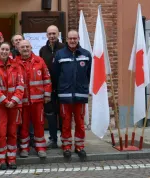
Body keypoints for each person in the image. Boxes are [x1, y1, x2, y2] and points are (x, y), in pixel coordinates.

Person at [52, 30, 92, 161]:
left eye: (75, 38)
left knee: (80, 122)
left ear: (78, 38)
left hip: (80, 95)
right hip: (64, 95)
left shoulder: (86, 54)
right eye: (70, 38)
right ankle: (66, 146)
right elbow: (56, 75)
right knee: (66, 122)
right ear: (66, 39)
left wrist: (85, 89)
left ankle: (79, 146)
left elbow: (89, 74)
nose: (73, 40)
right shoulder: (60, 54)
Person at [0, 42, 24, 170]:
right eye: (2, 49)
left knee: (13, 133)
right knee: (1, 133)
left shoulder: (16, 65)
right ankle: (1, 159)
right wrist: (4, 101)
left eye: (6, 49)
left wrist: (13, 100)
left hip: (14, 105)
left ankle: (12, 159)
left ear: (10, 51)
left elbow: (20, 85)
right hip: (0, 106)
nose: (4, 51)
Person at [17, 40, 52, 158]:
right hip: (22, 101)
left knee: (39, 124)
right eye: (23, 47)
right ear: (18, 49)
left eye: (27, 46)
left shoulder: (39, 61)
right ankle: (24, 148)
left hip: (38, 102)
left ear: (31, 47)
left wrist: (47, 94)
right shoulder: (15, 62)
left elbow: (47, 78)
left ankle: (40, 147)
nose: (25, 49)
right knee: (24, 126)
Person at [39, 25, 65, 149]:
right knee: (50, 114)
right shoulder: (42, 50)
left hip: (62, 88)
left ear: (58, 34)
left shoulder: (64, 48)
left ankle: (65, 139)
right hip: (48, 89)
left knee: (63, 115)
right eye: (50, 34)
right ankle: (53, 139)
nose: (52, 36)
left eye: (54, 33)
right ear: (46, 35)